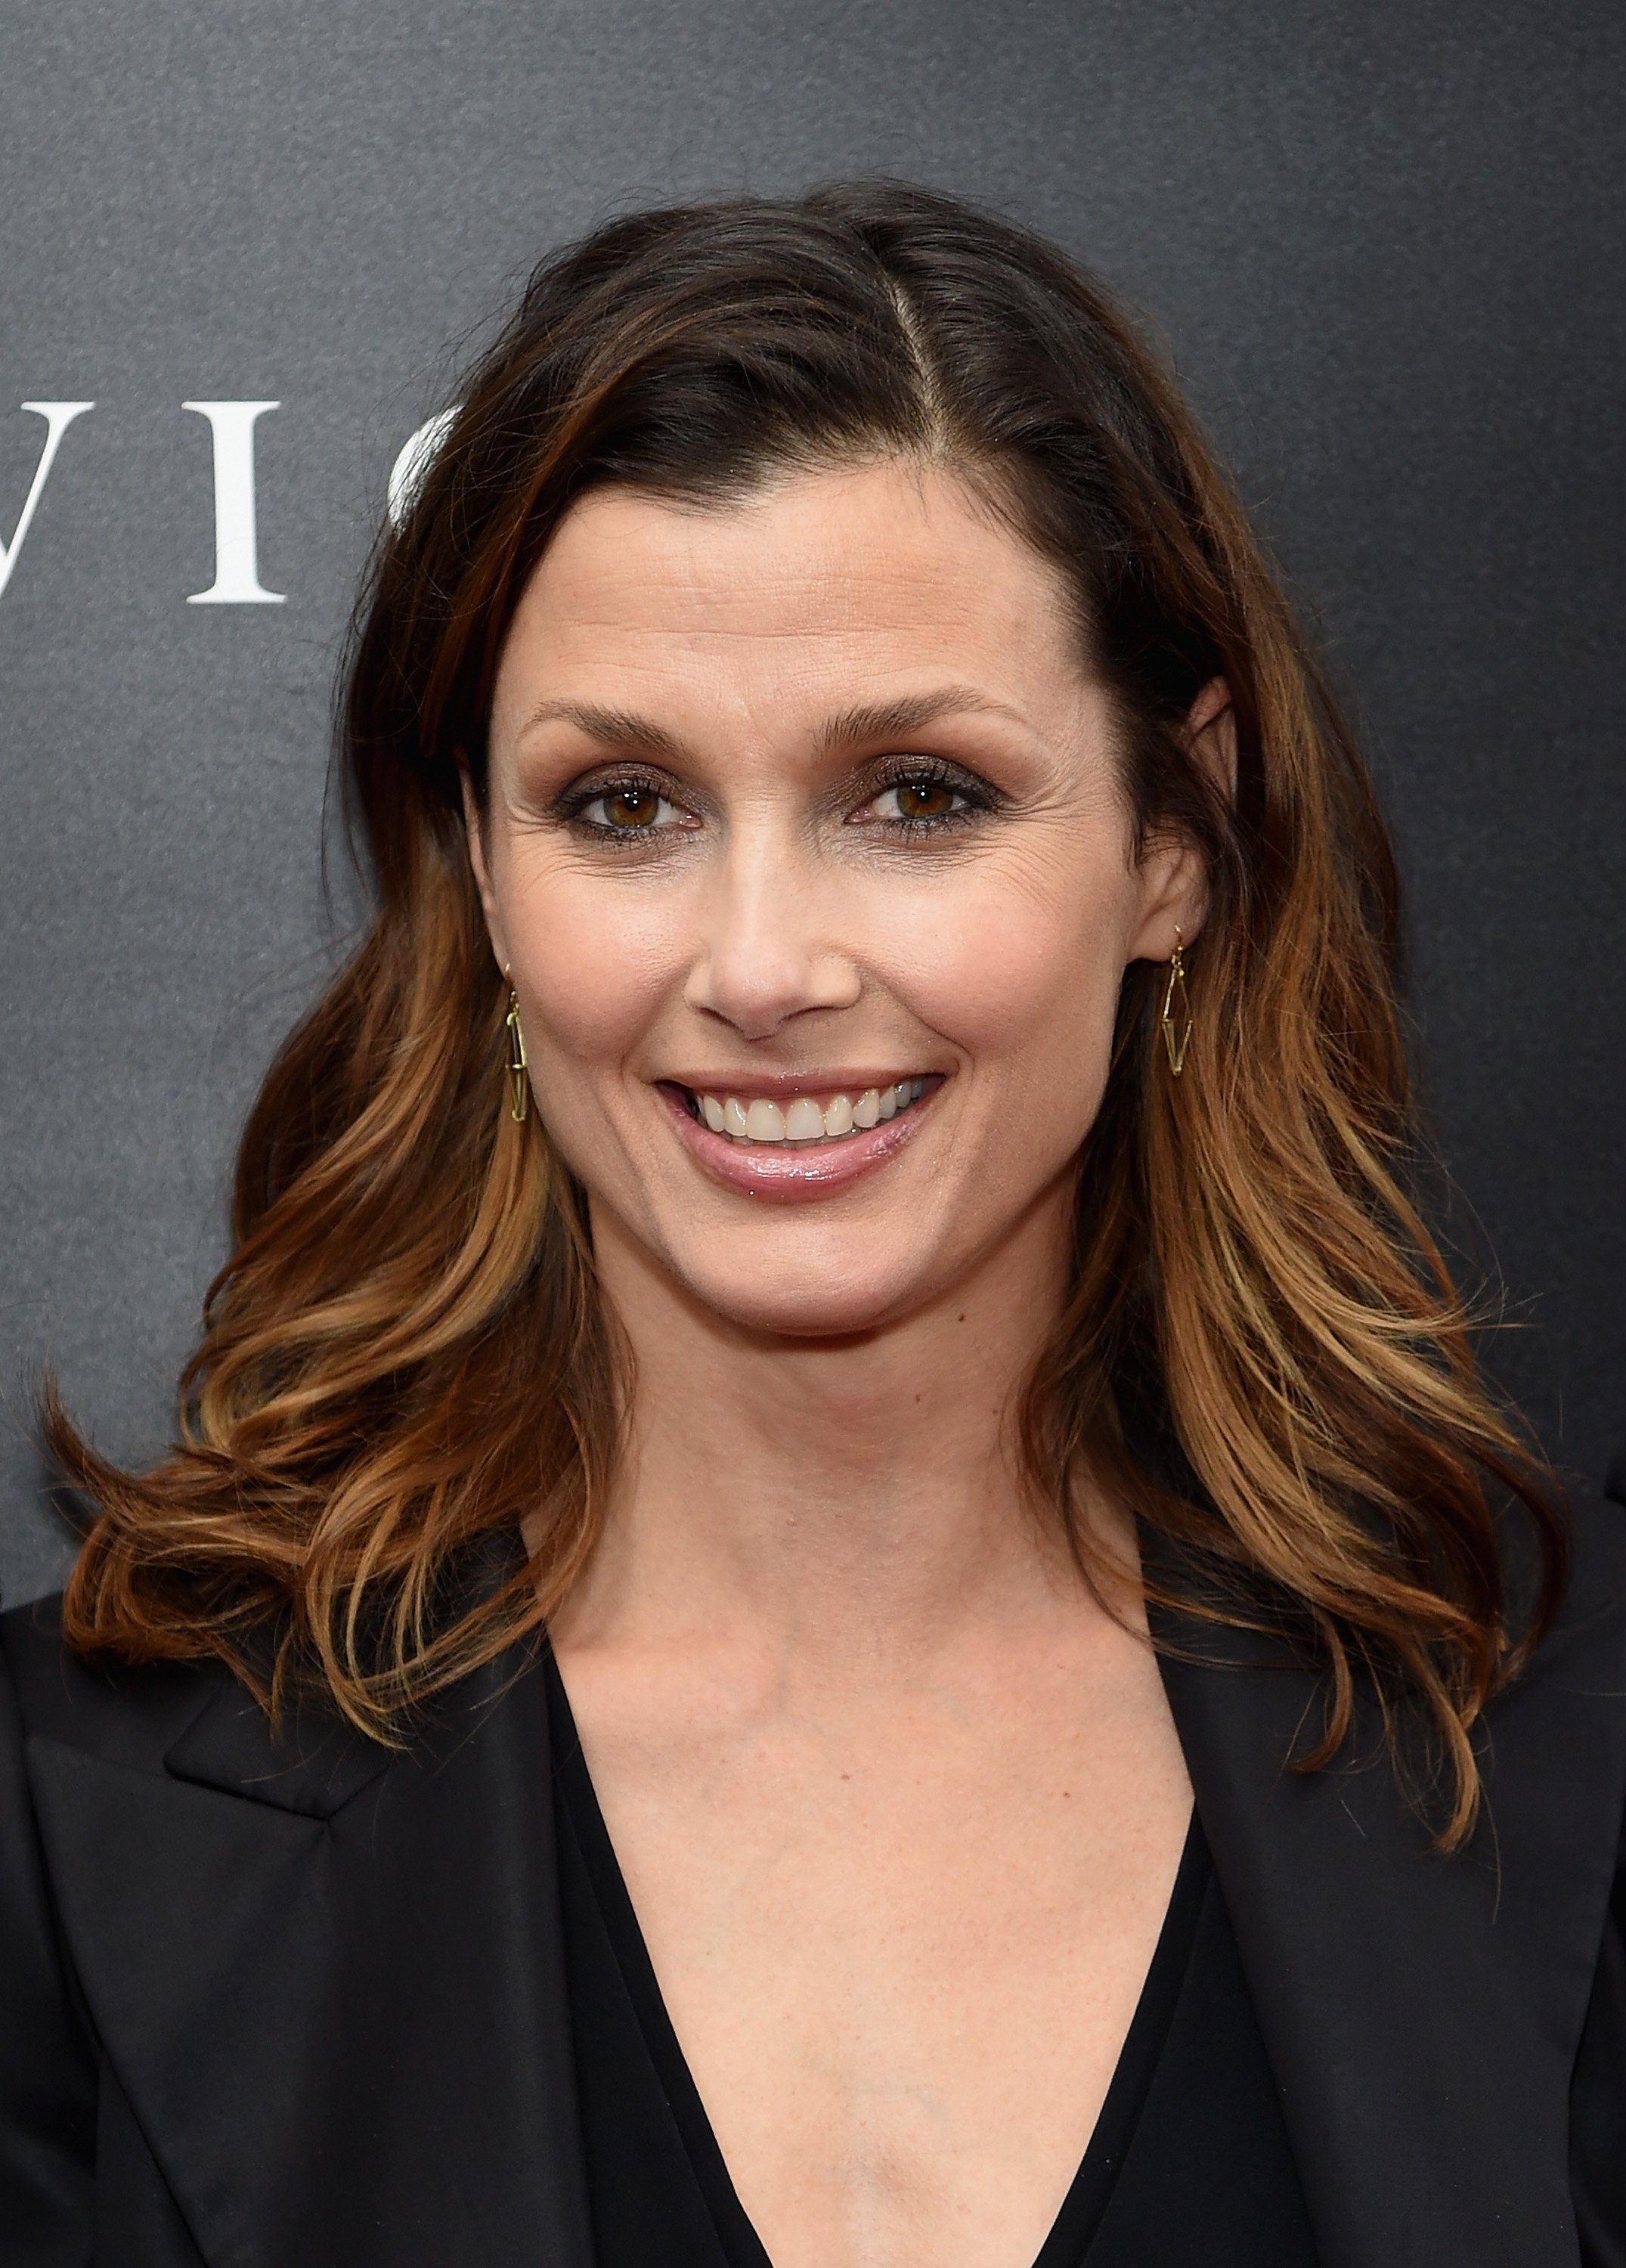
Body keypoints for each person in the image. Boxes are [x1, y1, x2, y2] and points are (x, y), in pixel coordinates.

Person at [2, 181, 1622, 2268]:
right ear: (484, 882)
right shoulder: (61, 1820)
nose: (761, 965)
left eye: (920, 794)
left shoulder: (1562, 1744)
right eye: (624, 807)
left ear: (1174, 842)